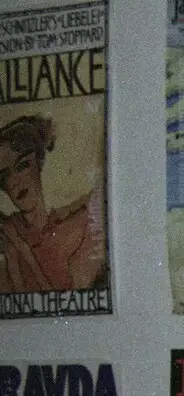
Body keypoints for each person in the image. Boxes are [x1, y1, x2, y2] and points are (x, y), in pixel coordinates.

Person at [0, 113, 108, 295]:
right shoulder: (6, 233)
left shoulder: (77, 227)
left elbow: (64, 310)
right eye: (4, 177)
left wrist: (22, 250)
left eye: (22, 166)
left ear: (39, 161)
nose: (14, 182)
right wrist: (13, 256)